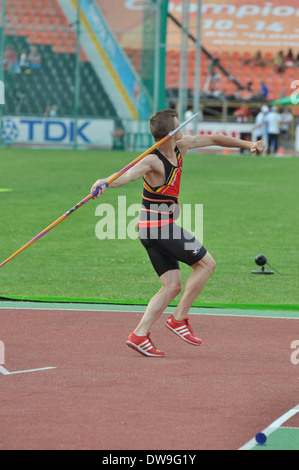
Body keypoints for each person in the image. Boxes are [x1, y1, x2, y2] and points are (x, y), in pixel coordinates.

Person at [91, 109, 266, 357]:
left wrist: (248, 144)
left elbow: (215, 139)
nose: (183, 127)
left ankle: (139, 335)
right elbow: (128, 175)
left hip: (151, 230)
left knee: (171, 285)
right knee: (206, 265)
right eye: (179, 125)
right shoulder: (151, 161)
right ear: (170, 133)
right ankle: (178, 319)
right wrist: (105, 182)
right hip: (159, 228)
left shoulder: (180, 147)